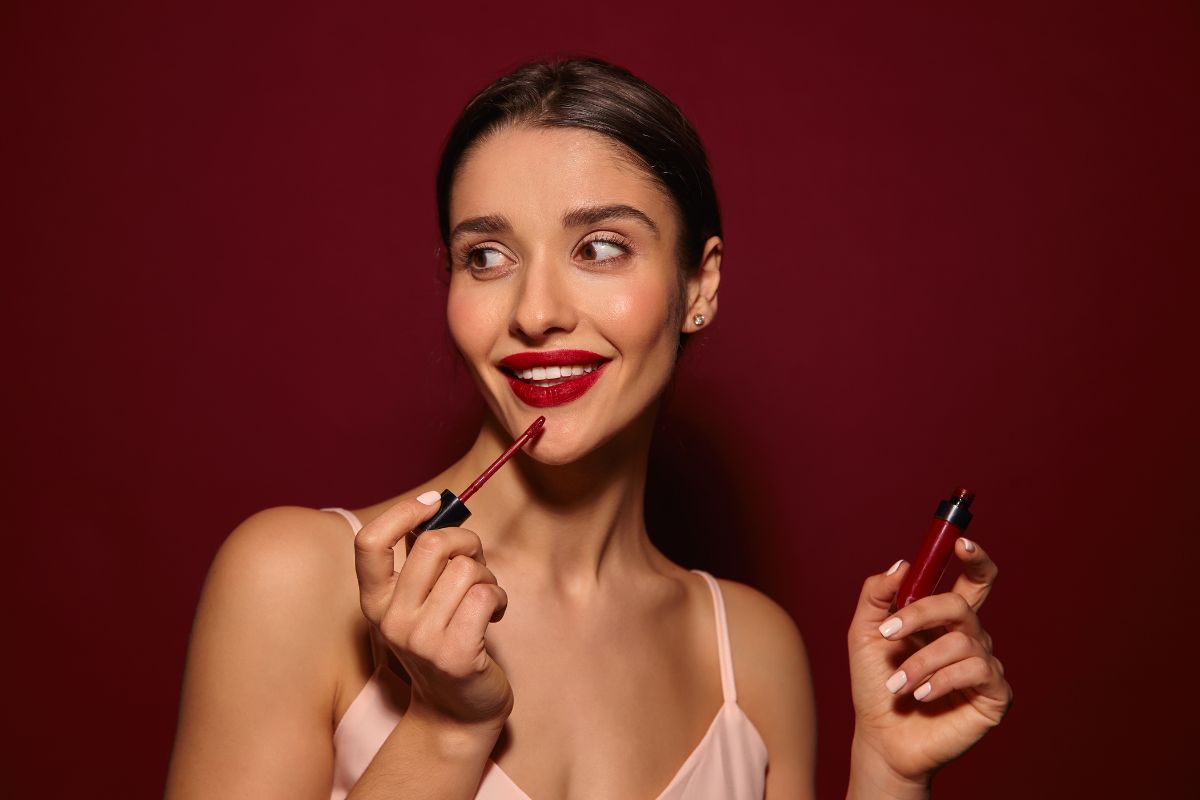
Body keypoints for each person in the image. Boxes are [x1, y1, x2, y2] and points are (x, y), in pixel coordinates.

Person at [165, 56, 1011, 799]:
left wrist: (891, 778)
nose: (534, 312)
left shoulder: (752, 655)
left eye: (600, 246)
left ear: (701, 286)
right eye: (486, 257)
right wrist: (448, 729)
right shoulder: (293, 583)